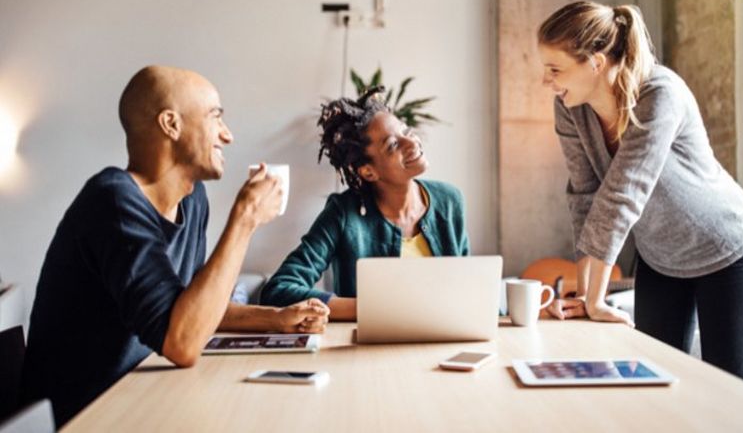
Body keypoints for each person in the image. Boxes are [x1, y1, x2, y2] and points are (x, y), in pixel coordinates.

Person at [22, 66, 329, 426]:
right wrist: (245, 219)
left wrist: (277, 320)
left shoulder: (192, 197)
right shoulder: (113, 201)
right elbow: (181, 344)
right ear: (171, 124)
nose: (227, 135)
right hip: (87, 417)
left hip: (137, 401)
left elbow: (190, 309)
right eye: (216, 118)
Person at [538, 1, 743, 382]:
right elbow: (585, 197)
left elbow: (623, 194)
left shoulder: (660, 93)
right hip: (661, 259)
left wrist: (596, 299)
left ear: (595, 63)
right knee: (650, 384)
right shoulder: (570, 108)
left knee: (729, 400)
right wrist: (586, 295)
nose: (546, 80)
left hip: (728, 252)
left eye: (555, 69)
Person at [259, 87, 470, 320]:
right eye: (393, 145)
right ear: (368, 171)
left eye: (406, 132)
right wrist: (369, 309)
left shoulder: (449, 201)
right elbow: (278, 289)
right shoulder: (343, 214)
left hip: (444, 342)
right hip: (367, 351)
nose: (410, 143)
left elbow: (466, 289)